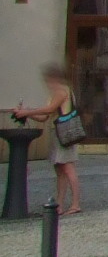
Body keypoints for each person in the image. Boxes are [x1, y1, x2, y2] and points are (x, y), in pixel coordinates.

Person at [12, 65, 83, 215]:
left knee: (68, 168)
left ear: (54, 78)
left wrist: (27, 111)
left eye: (48, 80)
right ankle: (60, 204)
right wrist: (26, 114)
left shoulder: (61, 91)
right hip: (59, 133)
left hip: (65, 133)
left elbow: (49, 110)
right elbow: (44, 117)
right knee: (60, 169)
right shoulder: (56, 93)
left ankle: (76, 203)